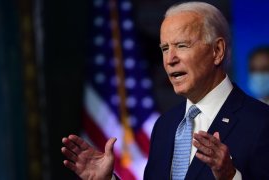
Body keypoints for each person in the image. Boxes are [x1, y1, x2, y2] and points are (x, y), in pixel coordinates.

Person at [61, 2, 269, 179]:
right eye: (165, 49)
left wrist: (231, 176)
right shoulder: (165, 125)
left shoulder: (261, 122)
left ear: (217, 51)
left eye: (181, 45)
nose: (170, 60)